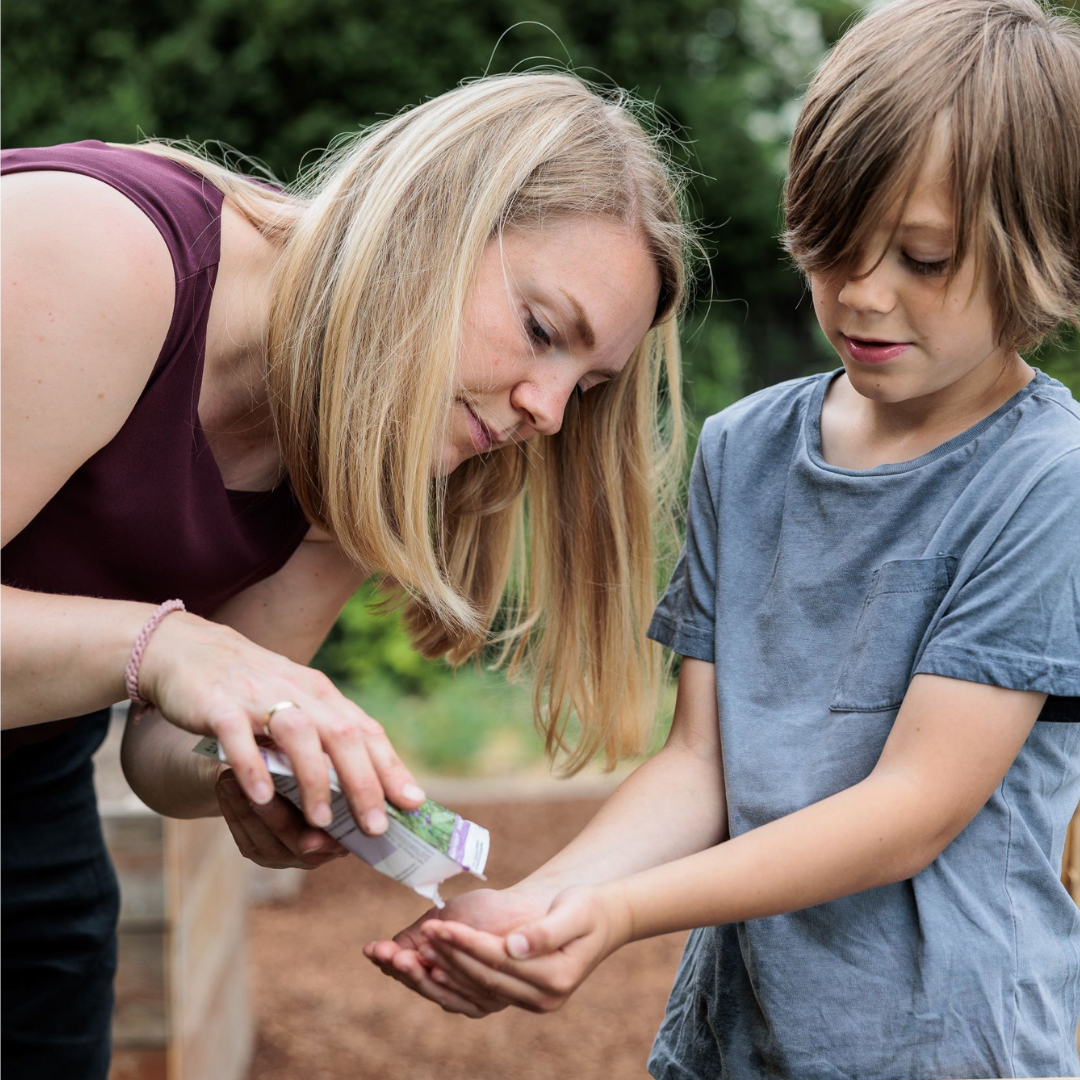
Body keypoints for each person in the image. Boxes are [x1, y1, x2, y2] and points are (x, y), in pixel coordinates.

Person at [368, 3, 1080, 1077]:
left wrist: (618, 912)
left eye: (925, 260)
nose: (863, 293)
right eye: (837, 242)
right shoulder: (742, 451)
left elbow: (912, 810)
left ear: (1045, 256)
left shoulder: (1046, 481)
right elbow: (703, 762)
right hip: (732, 1041)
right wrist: (548, 902)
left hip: (953, 1048)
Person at [0, 73, 691, 1078]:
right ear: (427, 223)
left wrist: (258, 771)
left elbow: (161, 748)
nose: (546, 409)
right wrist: (169, 645)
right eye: (543, 331)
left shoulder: (369, 443)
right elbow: (163, 663)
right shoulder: (96, 256)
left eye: (584, 387)